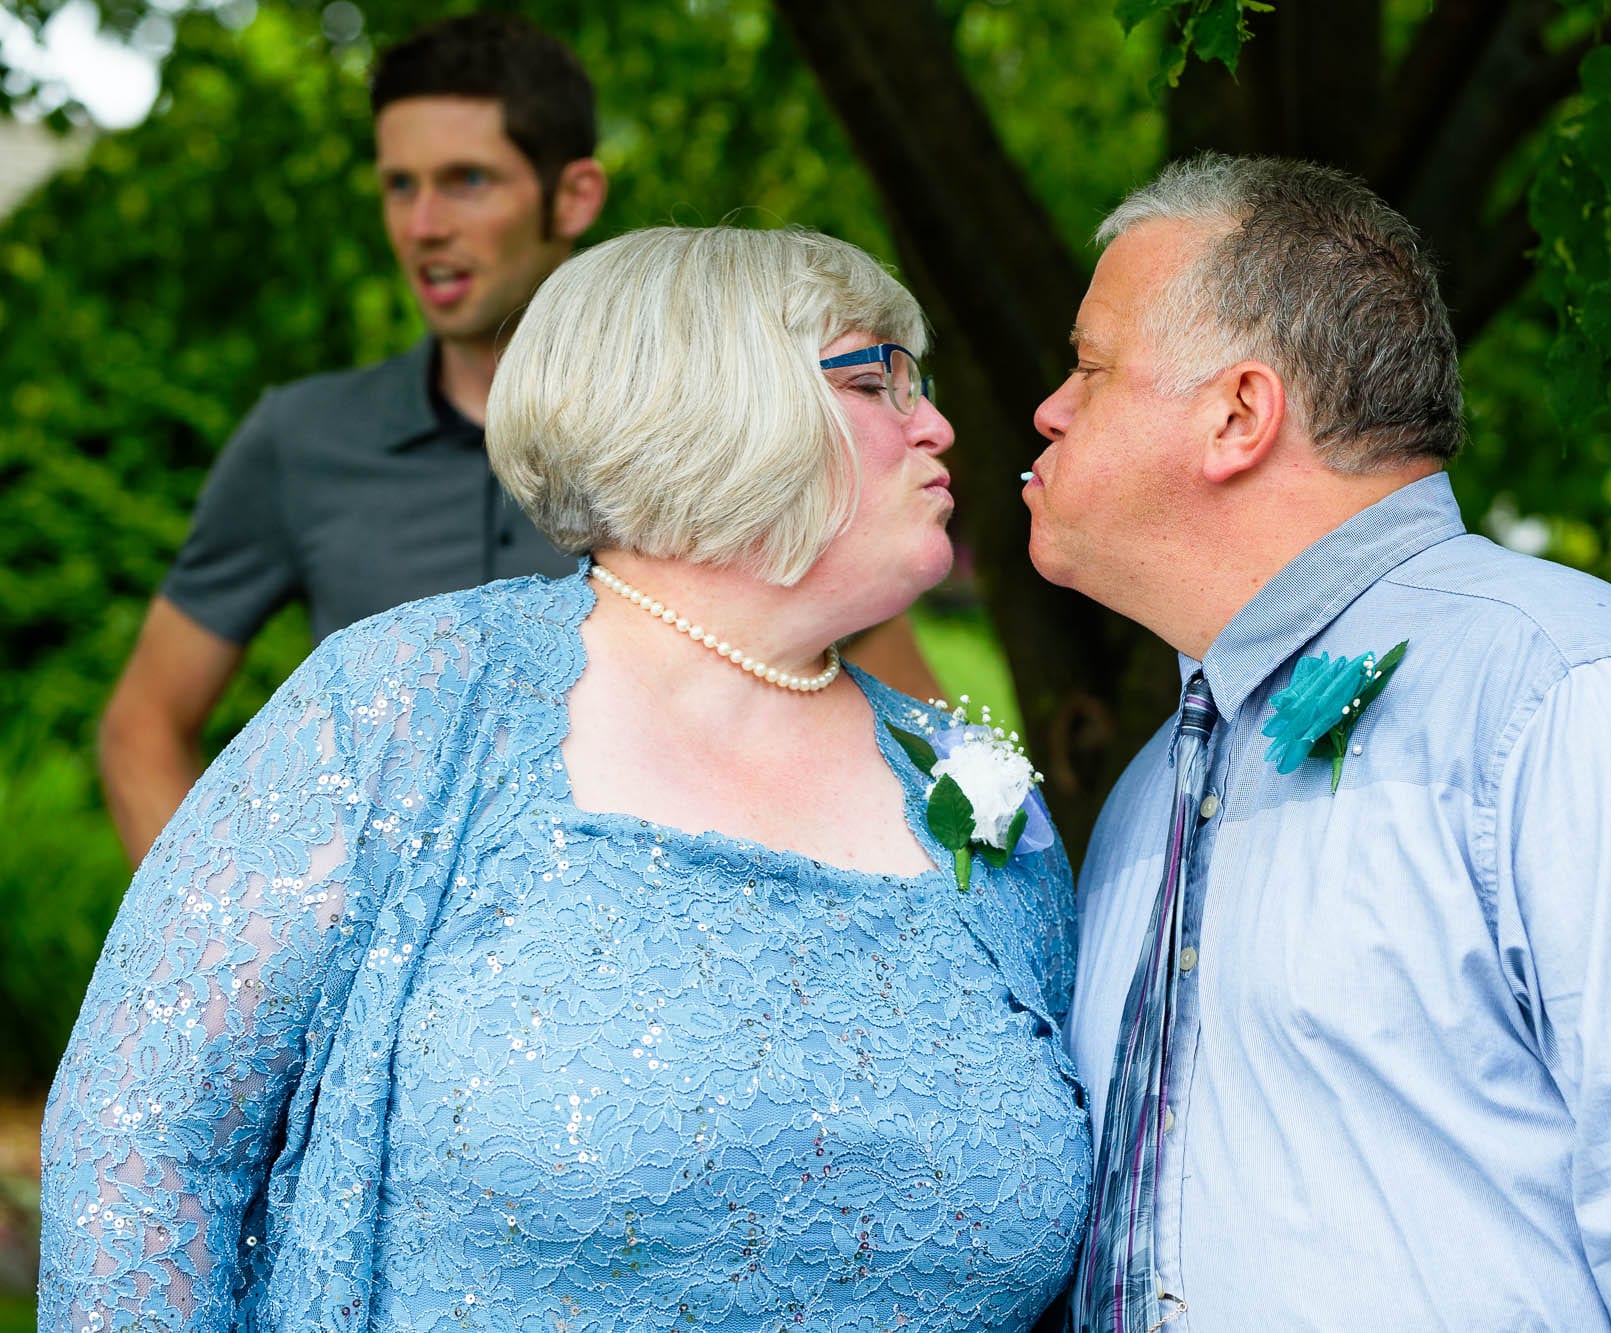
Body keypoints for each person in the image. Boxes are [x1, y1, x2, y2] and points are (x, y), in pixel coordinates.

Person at [43, 225, 1090, 1330]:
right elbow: (145, 1137)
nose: (937, 423)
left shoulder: (974, 794)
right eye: (880, 377)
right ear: (718, 398)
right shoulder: (412, 699)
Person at [1026, 154, 1611, 1330]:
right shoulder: (1148, 790)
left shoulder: (1585, 705)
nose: (1049, 408)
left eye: (1089, 365)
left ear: (1237, 413)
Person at [94, 14, 945, 867]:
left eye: (467, 180)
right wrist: (238, 943)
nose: (422, 224)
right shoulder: (300, 437)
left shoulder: (710, 429)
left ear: (574, 195)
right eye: (399, 185)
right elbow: (143, 727)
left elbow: (899, 728)